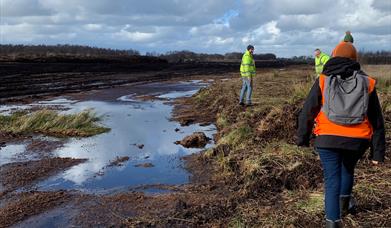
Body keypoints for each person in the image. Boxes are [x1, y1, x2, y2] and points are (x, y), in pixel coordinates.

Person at [297, 36, 385, 227]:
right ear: (355, 59)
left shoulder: (322, 80)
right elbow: (377, 121)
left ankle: (333, 222)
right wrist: (377, 153)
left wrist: (302, 139)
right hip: (357, 141)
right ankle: (344, 205)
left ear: (334, 56)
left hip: (327, 139)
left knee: (331, 179)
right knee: (348, 169)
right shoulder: (367, 83)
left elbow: (308, 111)